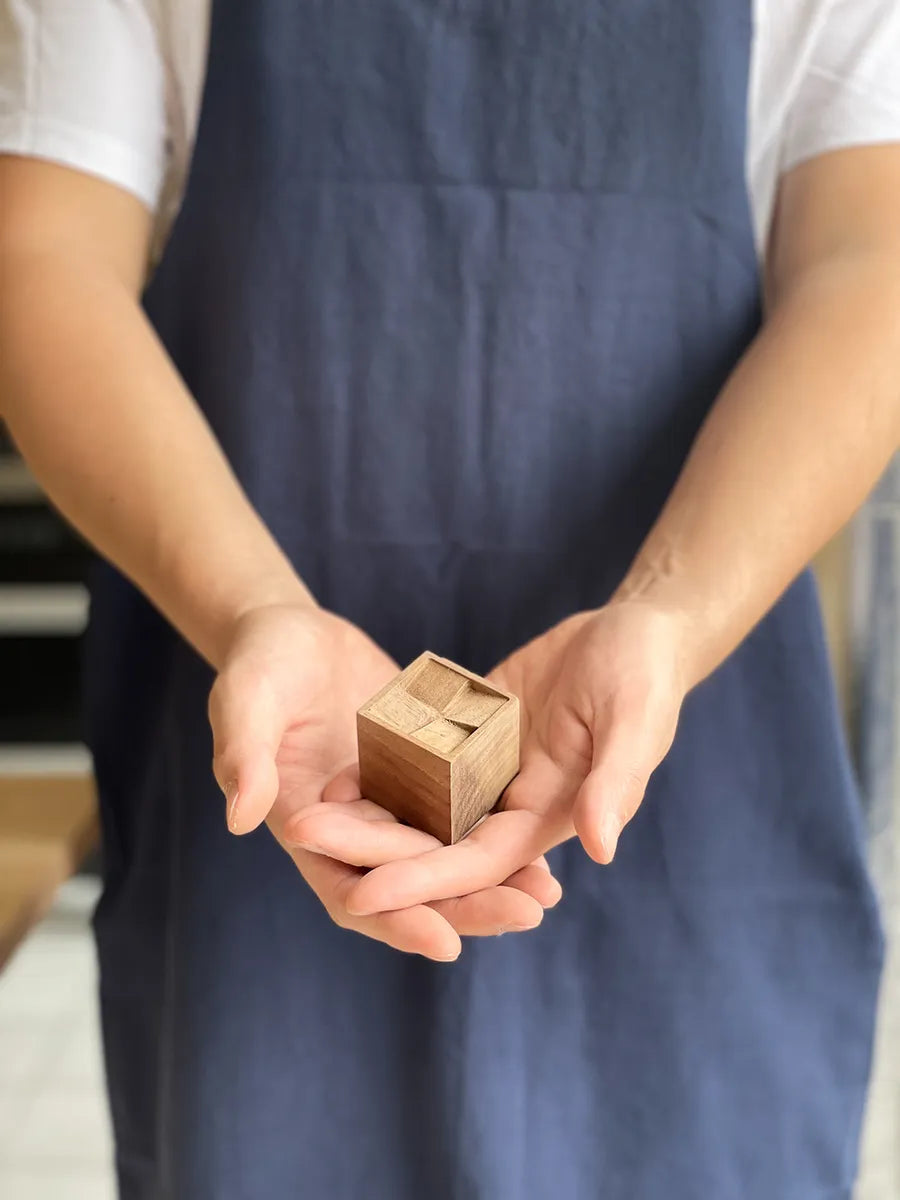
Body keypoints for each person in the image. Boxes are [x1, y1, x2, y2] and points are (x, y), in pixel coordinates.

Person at [1, 1, 899, 1196]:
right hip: (269, 764)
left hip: (691, 763)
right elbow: (42, 258)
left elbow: (869, 258)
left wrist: (670, 618)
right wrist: (254, 611)